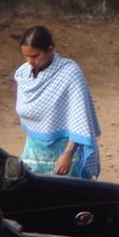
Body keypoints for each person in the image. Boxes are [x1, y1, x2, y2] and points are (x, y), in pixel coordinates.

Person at [13, 26, 101, 179]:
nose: (30, 61)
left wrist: (67, 155)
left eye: (35, 56)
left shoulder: (69, 73)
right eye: (26, 56)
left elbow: (80, 120)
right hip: (34, 153)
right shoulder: (24, 73)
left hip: (63, 154)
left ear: (50, 49)